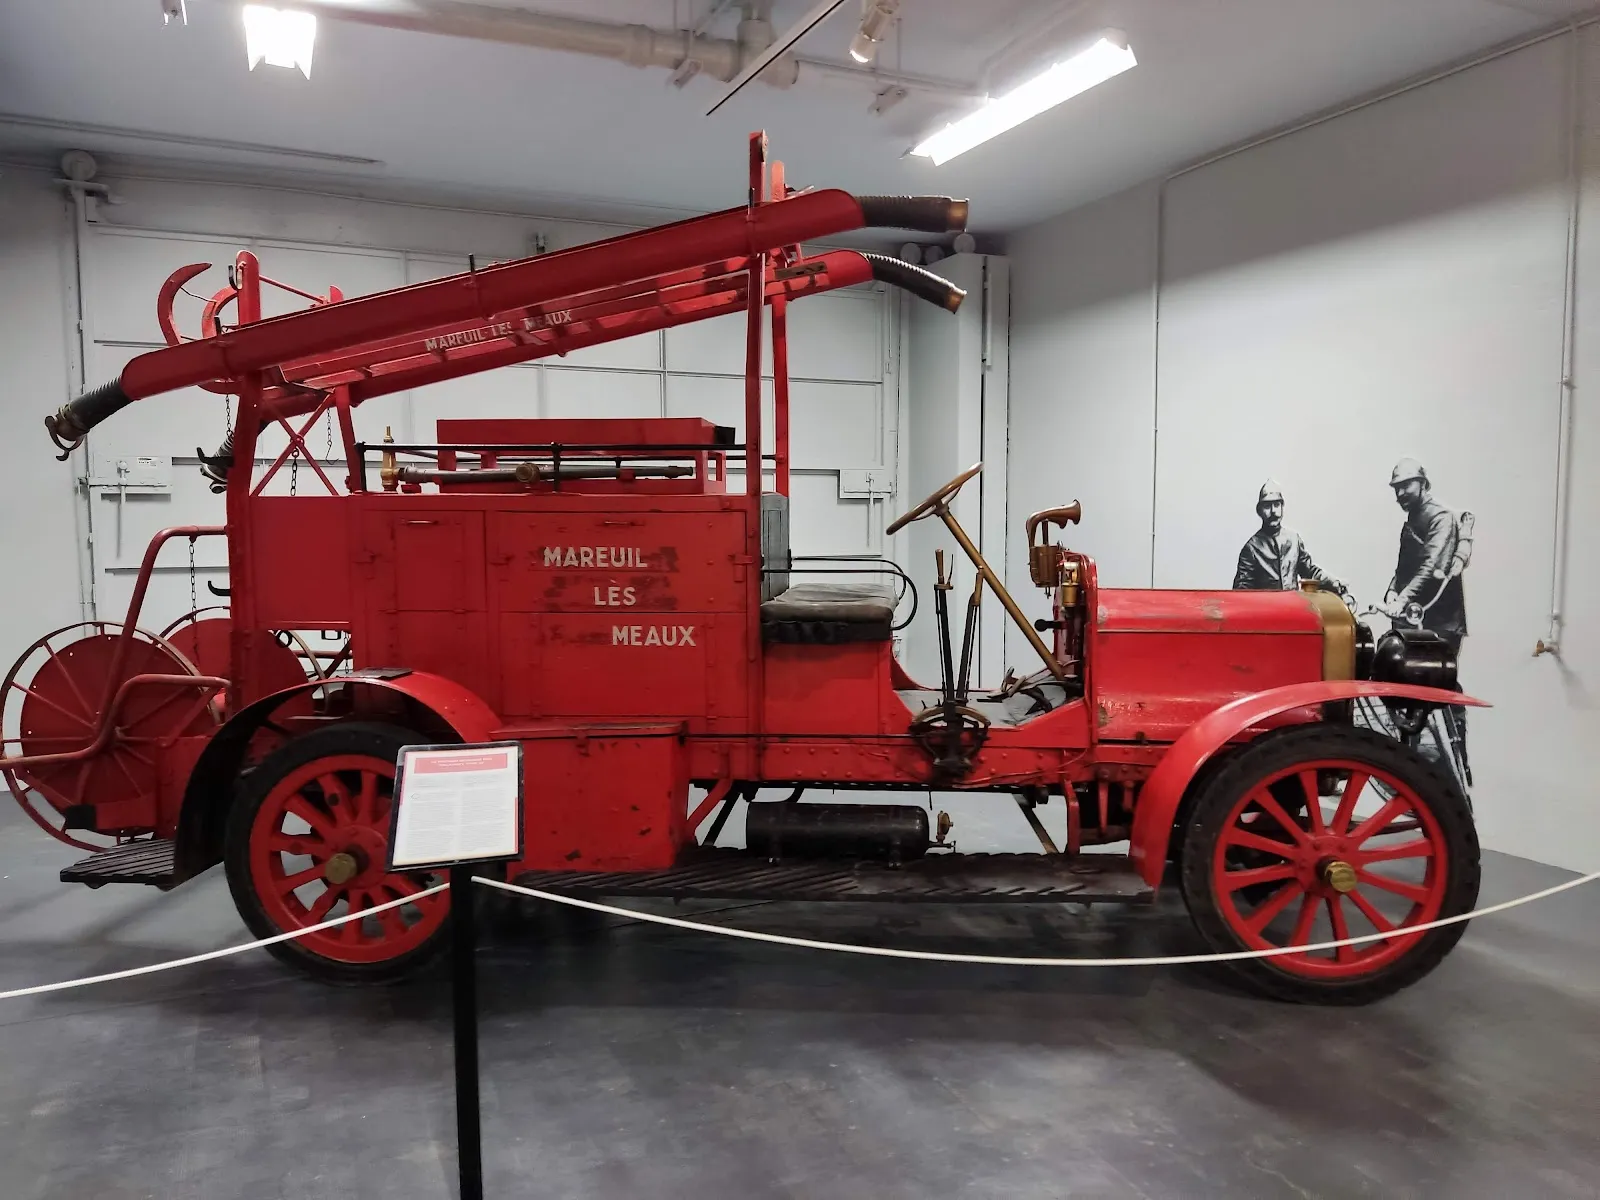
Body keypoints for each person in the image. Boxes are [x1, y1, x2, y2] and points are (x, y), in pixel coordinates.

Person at [1384, 457, 1471, 783]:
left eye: (1407, 485)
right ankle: (1412, 768)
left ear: (1423, 484)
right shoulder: (1410, 522)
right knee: (1406, 689)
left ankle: (1452, 766)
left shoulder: (1441, 519)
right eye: (1397, 488)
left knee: (1439, 687)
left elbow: (1429, 570)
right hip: (1414, 621)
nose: (1402, 492)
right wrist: (1391, 595)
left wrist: (1403, 599)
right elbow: (1403, 570)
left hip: (1440, 621)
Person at [1232, 480, 1341, 592]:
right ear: (1259, 511)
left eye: (1276, 505)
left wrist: (1333, 582)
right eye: (1267, 506)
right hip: (1266, 609)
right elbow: (1242, 591)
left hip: (1294, 607)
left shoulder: (1294, 540)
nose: (1273, 511)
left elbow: (1309, 571)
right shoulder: (1251, 548)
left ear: (1282, 507)